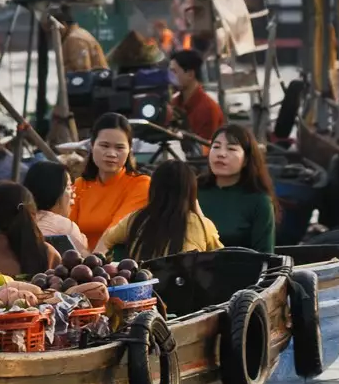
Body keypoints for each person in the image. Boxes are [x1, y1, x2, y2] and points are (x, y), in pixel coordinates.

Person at [101, 163, 222, 262]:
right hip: (185, 288)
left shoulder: (136, 218)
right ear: (190, 192)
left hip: (143, 286)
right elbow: (222, 256)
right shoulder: (202, 225)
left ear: (153, 189)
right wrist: (198, 213)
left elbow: (108, 240)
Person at [70, 112, 153, 251]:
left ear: (129, 150)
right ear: (91, 145)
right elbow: (66, 231)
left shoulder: (141, 185)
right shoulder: (79, 185)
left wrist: (92, 263)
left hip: (117, 267)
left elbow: (114, 234)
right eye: (104, 145)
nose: (111, 153)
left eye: (119, 148)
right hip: (76, 264)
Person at [197, 124, 277, 253]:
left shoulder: (259, 200)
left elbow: (265, 255)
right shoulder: (193, 190)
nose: (221, 154)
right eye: (216, 147)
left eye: (231, 149)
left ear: (246, 159)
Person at [18, 158, 90, 255]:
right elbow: (85, 261)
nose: (74, 194)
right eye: (68, 187)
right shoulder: (64, 226)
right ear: (53, 191)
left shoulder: (7, 220)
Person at [167, 48, 224, 141]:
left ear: (190, 74)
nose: (170, 77)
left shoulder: (209, 109)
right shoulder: (174, 103)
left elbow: (207, 149)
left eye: (174, 72)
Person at [56, 6, 107, 72]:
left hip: (92, 81)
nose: (54, 32)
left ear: (63, 24)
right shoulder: (77, 34)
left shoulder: (75, 39)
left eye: (55, 28)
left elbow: (82, 69)